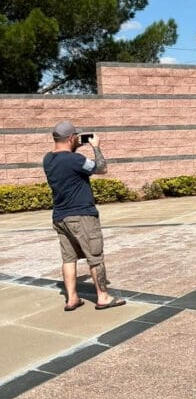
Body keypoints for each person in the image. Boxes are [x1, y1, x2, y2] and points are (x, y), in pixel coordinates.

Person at [42, 121, 126, 311]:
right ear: (71, 138)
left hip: (60, 217)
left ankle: (71, 298)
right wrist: (96, 147)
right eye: (75, 137)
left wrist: (74, 144)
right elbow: (102, 168)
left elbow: (64, 156)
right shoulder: (75, 160)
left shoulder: (48, 159)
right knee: (95, 257)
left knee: (68, 258)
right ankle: (103, 297)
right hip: (82, 216)